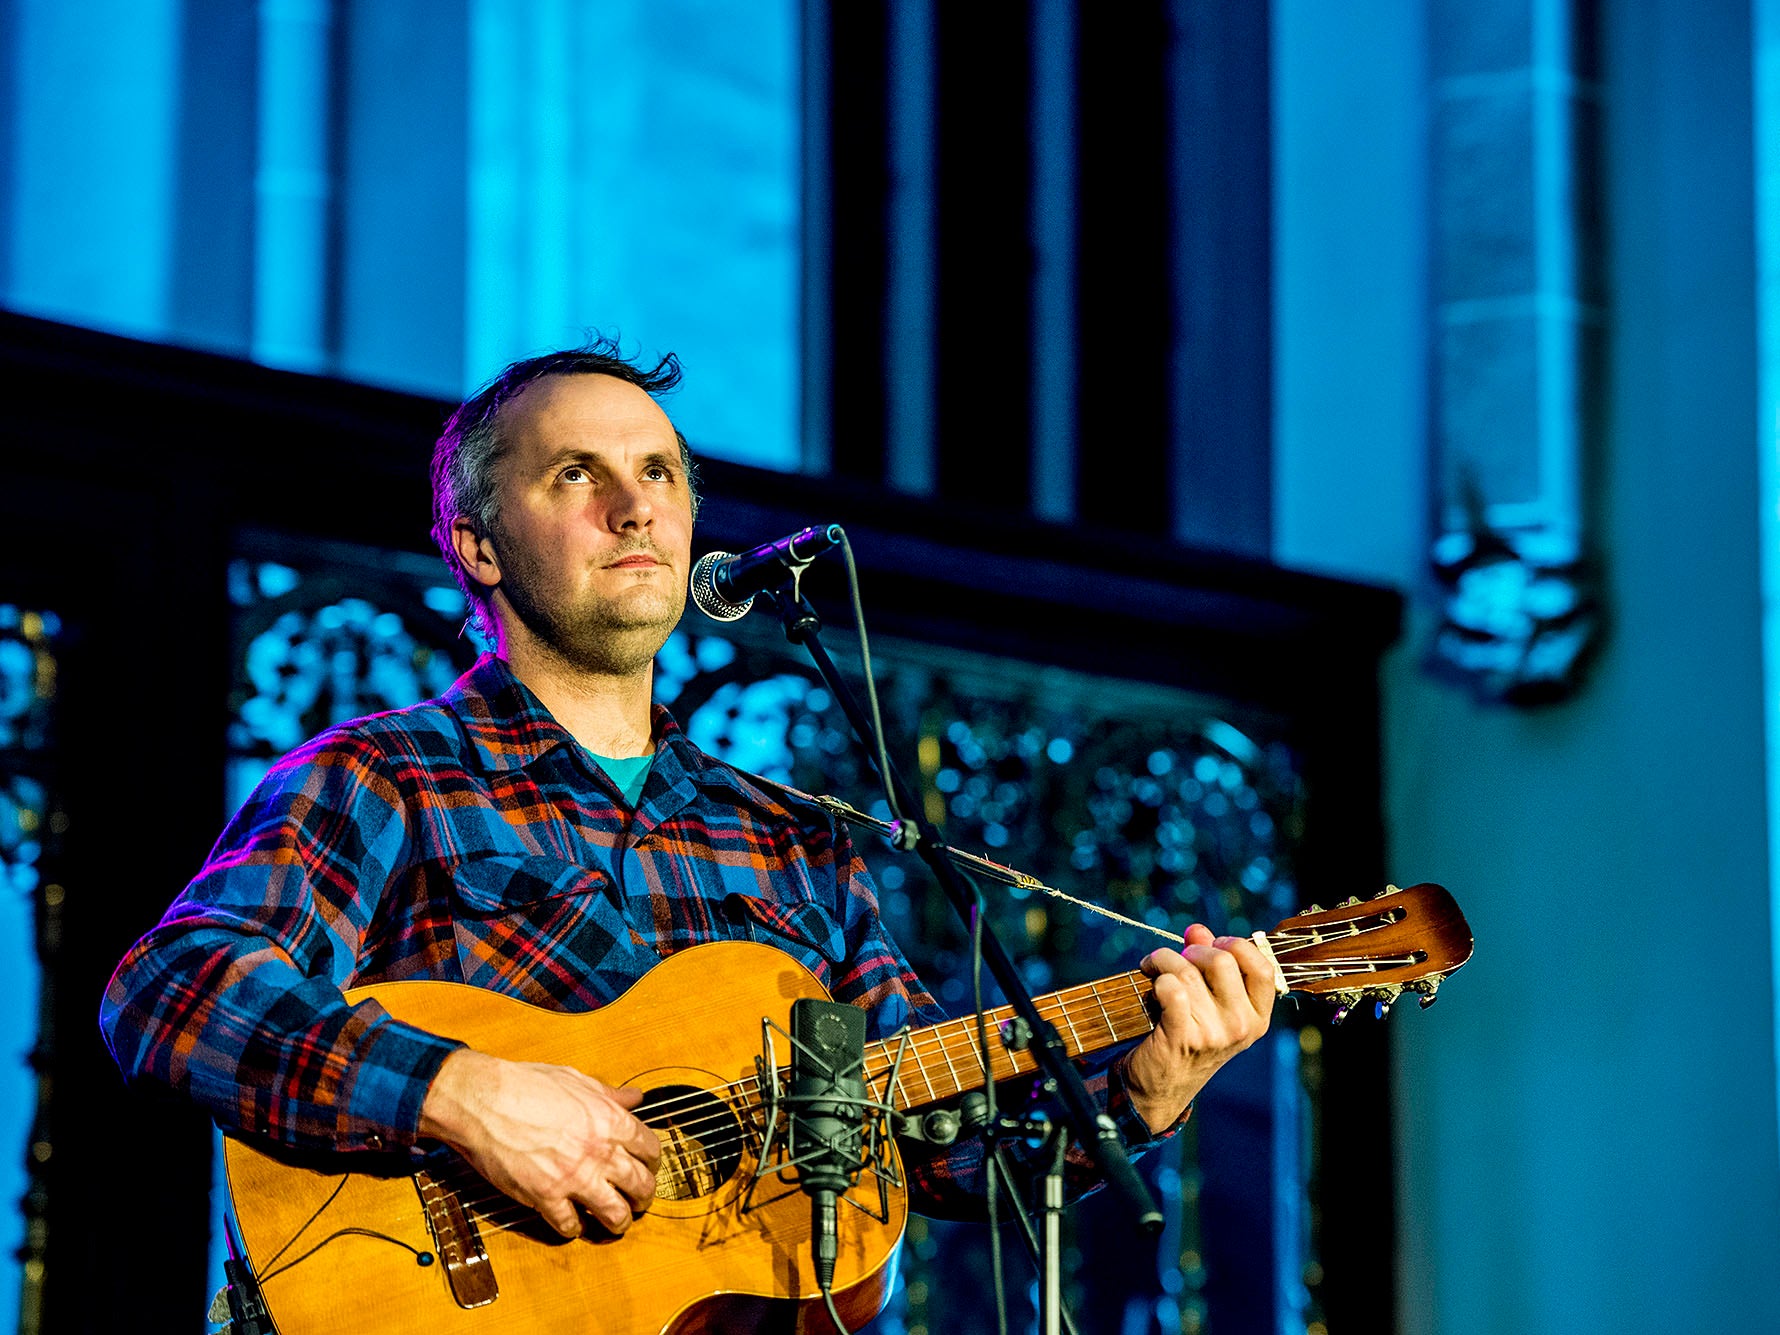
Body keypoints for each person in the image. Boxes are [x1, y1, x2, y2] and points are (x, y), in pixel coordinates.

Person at [99, 339, 1276, 1250]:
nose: (635, 506)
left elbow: (950, 1157)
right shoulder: (387, 776)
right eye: (579, 474)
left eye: (658, 471)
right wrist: (458, 1094)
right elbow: (170, 992)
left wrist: (1145, 1089)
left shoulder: (795, 844)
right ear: (478, 547)